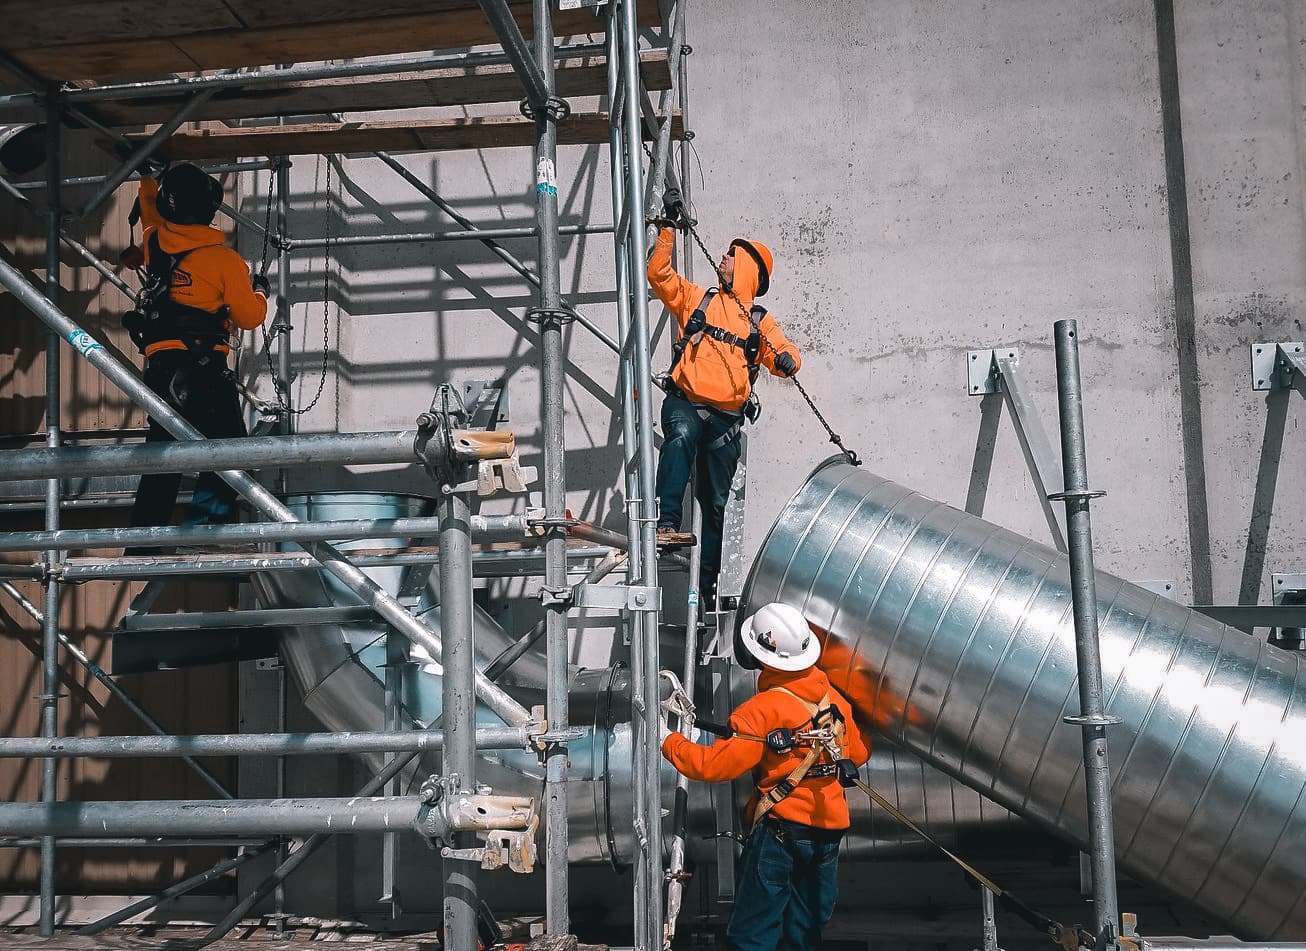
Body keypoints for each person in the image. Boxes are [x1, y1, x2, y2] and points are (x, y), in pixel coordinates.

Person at [661, 602, 870, 951]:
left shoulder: (763, 710)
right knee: (803, 934)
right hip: (828, 834)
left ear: (761, 656)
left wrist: (669, 742)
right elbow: (859, 753)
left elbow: (713, 766)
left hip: (781, 834)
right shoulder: (834, 702)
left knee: (753, 935)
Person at [647, 189, 801, 605]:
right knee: (679, 438)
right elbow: (659, 276)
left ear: (748, 267)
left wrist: (786, 360)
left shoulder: (758, 323)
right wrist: (667, 231)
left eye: (731, 256)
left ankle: (709, 587)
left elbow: (784, 354)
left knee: (715, 504)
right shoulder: (699, 298)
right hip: (687, 404)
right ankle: (666, 522)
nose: (723, 259)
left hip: (726, 422)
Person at [124, 163, 269, 546]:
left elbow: (151, 212)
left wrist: (146, 177)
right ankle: (204, 524)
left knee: (164, 452)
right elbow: (249, 317)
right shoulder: (224, 262)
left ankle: (143, 538)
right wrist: (261, 292)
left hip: (160, 366)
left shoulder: (154, 241)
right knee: (231, 450)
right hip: (203, 366)